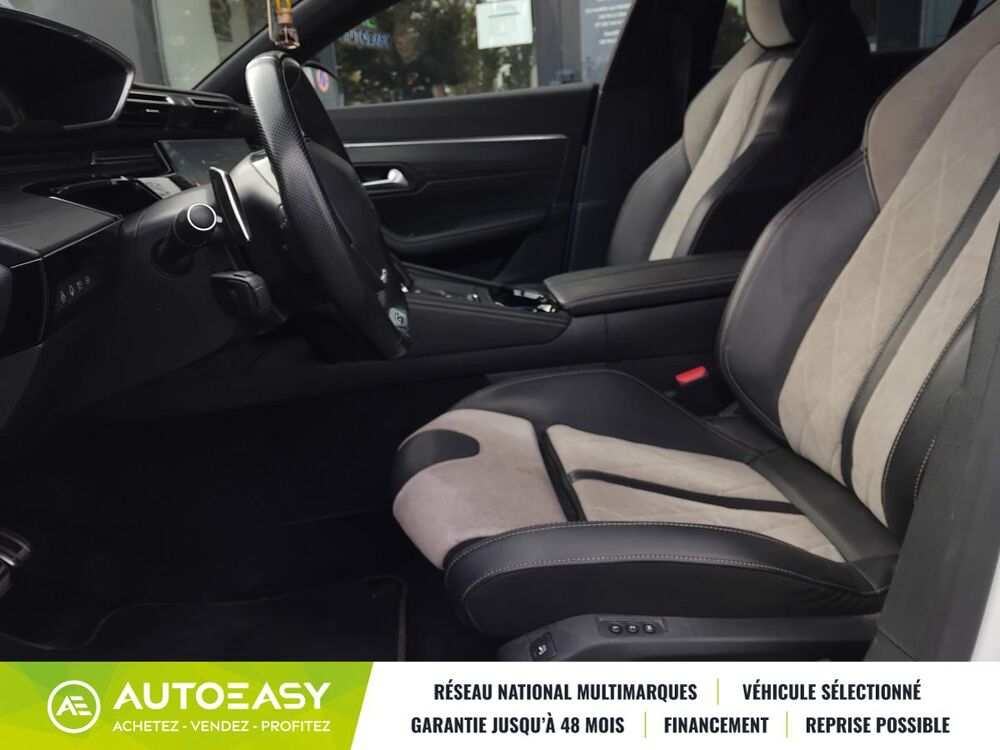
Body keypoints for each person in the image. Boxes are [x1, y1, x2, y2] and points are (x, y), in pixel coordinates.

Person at [390, 22, 448, 100]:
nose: (405, 47)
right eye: (400, 43)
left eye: (409, 42)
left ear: (414, 43)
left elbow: (441, 98)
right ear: (395, 46)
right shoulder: (395, 70)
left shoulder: (428, 65)